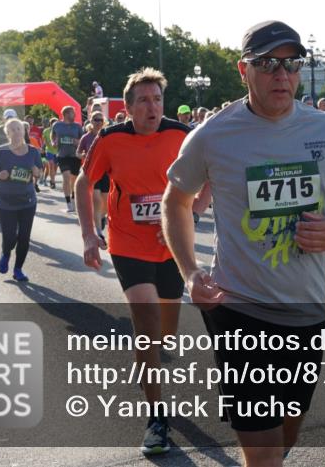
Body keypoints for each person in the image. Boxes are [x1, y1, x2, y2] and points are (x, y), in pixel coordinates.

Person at [163, 20, 325, 467]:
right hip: (238, 307)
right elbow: (175, 203)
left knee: (283, 435)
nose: (282, 75)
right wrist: (190, 273)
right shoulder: (213, 135)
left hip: (306, 309)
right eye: (268, 64)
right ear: (244, 70)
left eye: (292, 64)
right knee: (265, 454)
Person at [76, 68, 190, 455]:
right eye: (143, 100)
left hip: (171, 246)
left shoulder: (180, 134)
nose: (152, 107)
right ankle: (157, 416)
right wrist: (90, 234)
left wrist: (186, 215)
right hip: (127, 243)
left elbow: (205, 178)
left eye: (157, 99)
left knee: (166, 336)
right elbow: (83, 183)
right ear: (127, 109)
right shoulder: (110, 139)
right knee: (145, 319)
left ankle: (147, 363)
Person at [0, 119, 43, 282]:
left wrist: (36, 172)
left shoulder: (33, 151)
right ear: (8, 133)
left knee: (24, 237)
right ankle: (6, 253)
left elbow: (39, 172)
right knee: (10, 237)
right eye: (12, 129)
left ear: (24, 131)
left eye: (19, 128)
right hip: (5, 203)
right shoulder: (1, 151)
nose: (17, 132)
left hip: (27, 202)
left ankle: (18, 269)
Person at [76, 112, 109, 242]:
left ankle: (101, 217)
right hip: (92, 172)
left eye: (100, 120)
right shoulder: (86, 137)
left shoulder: (107, 135)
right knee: (96, 199)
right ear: (91, 121)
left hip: (106, 172)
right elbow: (77, 153)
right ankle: (99, 231)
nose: (98, 122)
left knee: (105, 202)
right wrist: (83, 155)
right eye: (96, 120)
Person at [52, 106, 84, 212]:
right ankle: (68, 203)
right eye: (72, 113)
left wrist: (77, 142)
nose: (74, 115)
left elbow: (83, 141)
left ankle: (74, 199)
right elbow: (53, 137)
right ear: (65, 114)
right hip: (62, 155)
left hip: (75, 156)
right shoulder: (57, 125)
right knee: (66, 177)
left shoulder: (77, 126)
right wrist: (54, 142)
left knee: (73, 180)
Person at [42, 117, 58, 189]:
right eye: (53, 123)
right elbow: (45, 142)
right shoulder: (46, 131)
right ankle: (52, 182)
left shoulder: (60, 131)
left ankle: (52, 179)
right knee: (51, 166)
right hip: (49, 150)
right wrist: (49, 146)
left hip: (58, 152)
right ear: (50, 124)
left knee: (55, 168)